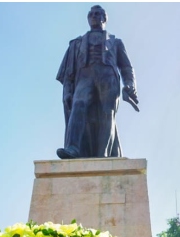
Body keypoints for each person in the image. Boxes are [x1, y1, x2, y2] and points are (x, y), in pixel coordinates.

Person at [56, 5, 138, 160]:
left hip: (108, 78)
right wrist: (67, 90)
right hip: (84, 77)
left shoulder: (116, 42)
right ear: (88, 18)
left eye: (98, 14)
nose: (94, 16)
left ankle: (103, 154)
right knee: (78, 105)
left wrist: (130, 84)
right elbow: (68, 72)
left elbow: (127, 67)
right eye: (91, 14)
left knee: (108, 113)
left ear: (104, 18)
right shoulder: (77, 43)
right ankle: (73, 148)